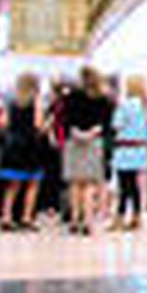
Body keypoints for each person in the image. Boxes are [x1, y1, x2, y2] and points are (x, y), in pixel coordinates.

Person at [61, 66, 113, 235]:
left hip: (73, 142)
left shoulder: (70, 96)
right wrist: (91, 132)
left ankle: (75, 219)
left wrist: (77, 132)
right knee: (90, 183)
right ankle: (88, 221)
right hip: (94, 142)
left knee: (75, 183)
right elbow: (105, 123)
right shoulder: (103, 98)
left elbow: (66, 120)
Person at [0, 72, 48, 230]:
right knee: (33, 183)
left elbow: (2, 123)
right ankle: (26, 217)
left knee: (12, 185)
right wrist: (47, 126)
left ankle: (6, 216)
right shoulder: (36, 101)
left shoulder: (10, 100)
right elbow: (38, 124)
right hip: (31, 146)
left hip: (13, 145)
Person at [111, 74, 147, 231]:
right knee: (135, 186)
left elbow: (117, 124)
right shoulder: (146, 105)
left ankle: (119, 218)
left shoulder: (125, 105)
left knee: (124, 185)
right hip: (140, 150)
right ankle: (137, 217)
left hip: (125, 150)